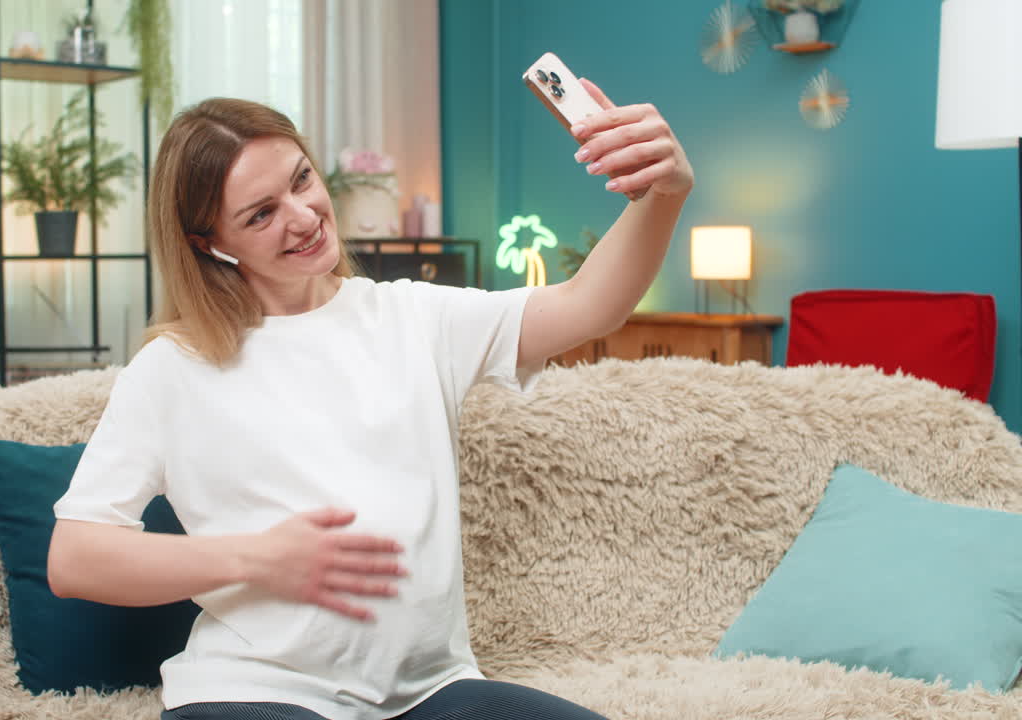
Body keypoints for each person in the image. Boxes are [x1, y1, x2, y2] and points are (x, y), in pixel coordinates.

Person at [47, 77, 693, 720]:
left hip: (430, 691)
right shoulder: (174, 368)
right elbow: (76, 558)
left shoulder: (412, 317)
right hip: (254, 694)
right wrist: (257, 558)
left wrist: (665, 194)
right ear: (208, 242)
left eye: (301, 180)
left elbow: (588, 306)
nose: (303, 217)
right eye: (261, 213)